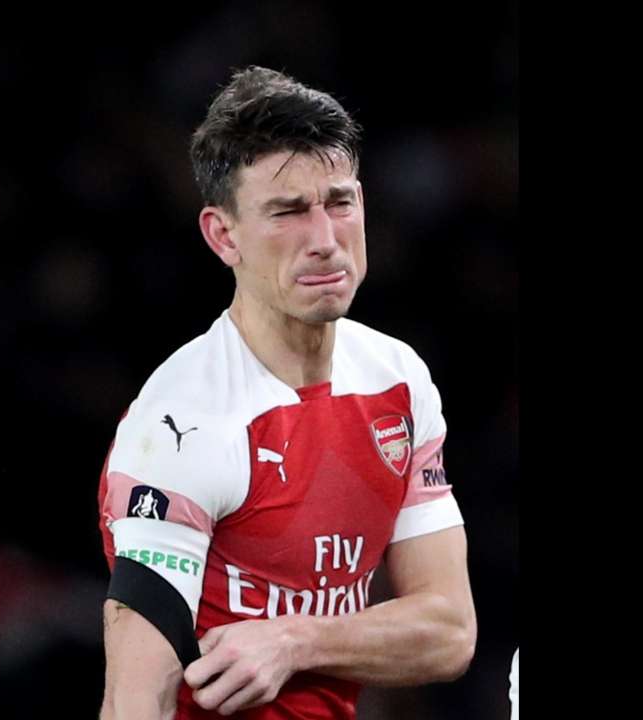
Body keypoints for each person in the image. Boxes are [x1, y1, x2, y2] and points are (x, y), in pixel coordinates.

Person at [97, 66, 476, 719]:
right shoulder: (179, 425)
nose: (325, 241)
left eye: (339, 203)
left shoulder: (398, 377)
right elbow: (135, 701)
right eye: (288, 211)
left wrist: (291, 640)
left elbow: (449, 630)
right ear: (223, 235)